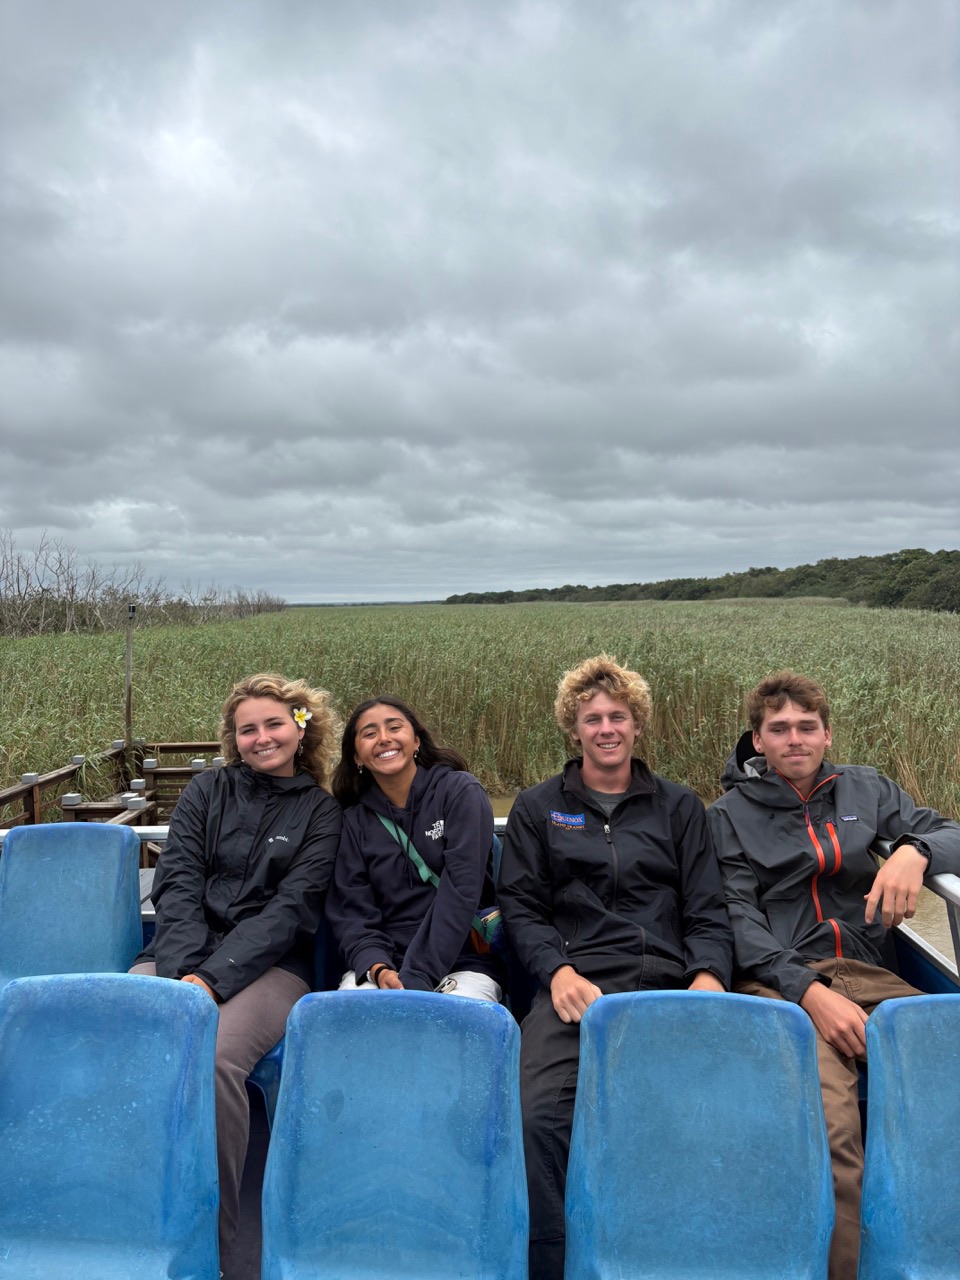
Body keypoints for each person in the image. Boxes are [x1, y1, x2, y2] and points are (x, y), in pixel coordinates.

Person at [707, 670, 960, 1280]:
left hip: (872, 973)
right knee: (833, 1127)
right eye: (779, 729)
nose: (794, 739)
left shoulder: (865, 789)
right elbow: (736, 918)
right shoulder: (727, 815)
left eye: (807, 726)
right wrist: (810, 994)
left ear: (827, 734)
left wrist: (914, 851)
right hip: (783, 982)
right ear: (757, 740)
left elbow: (950, 831)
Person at [497, 655, 733, 1280]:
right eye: (592, 718)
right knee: (536, 1114)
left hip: (667, 982)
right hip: (576, 983)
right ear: (572, 730)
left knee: (698, 1112)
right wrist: (556, 972)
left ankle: (674, 1253)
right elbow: (521, 908)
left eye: (618, 716)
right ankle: (554, 1260)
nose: (606, 728)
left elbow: (708, 909)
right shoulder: (537, 807)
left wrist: (708, 978)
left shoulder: (680, 807)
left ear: (637, 725)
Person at [131, 673, 342, 1258]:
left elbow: (290, 911)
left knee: (216, 1056)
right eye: (248, 729)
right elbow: (177, 882)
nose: (262, 738)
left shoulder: (321, 813)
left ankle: (213, 1244)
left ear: (300, 729)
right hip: (178, 955)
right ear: (234, 739)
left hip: (274, 966)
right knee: (124, 1028)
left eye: (274, 724)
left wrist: (212, 980)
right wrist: (184, 975)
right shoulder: (205, 791)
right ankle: (133, 1208)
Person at [326, 696, 502, 1000]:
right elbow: (352, 911)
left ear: (416, 740)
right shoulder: (352, 822)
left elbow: (461, 891)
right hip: (383, 967)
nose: (384, 738)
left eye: (394, 728)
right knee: (354, 1017)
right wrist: (377, 968)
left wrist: (416, 977)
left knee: (450, 1021)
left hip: (464, 963)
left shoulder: (460, 792)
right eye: (369, 733)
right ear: (356, 757)